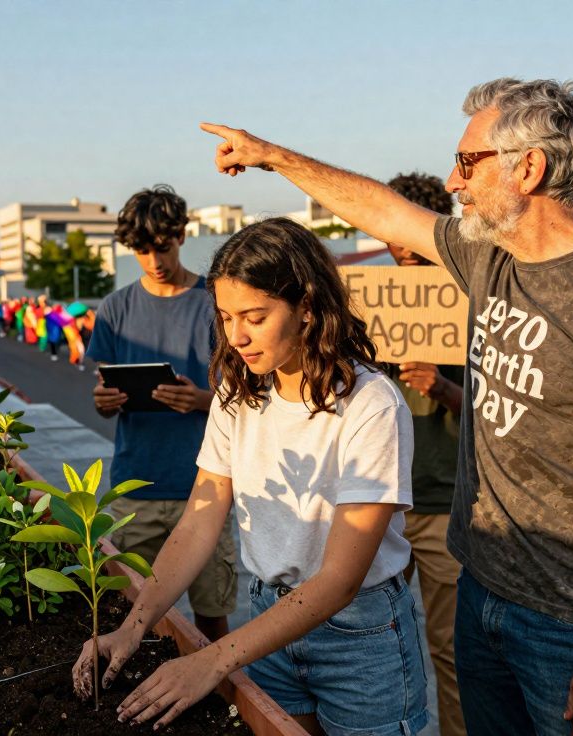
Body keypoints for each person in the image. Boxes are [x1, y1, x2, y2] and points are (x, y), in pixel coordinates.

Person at [201, 77, 573, 736]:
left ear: (530, 167)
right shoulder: (490, 255)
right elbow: (383, 211)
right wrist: (272, 155)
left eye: (467, 161)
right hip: (482, 593)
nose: (453, 180)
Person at [79, 218, 427, 735]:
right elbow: (199, 520)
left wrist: (213, 660)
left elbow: (339, 579)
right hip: (270, 624)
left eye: (255, 317)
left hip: (360, 638)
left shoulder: (369, 404)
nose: (236, 336)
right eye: (224, 317)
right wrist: (133, 628)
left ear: (307, 307)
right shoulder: (237, 395)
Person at [85, 184, 239, 644]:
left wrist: (202, 400)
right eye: (142, 250)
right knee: (135, 616)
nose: (155, 260)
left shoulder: (216, 303)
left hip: (206, 489)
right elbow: (101, 389)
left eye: (163, 247)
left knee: (213, 617)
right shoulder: (114, 309)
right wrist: (103, 402)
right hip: (137, 486)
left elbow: (245, 398)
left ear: (182, 236)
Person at [379, 171, 468, 736]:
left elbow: (503, 413)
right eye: (392, 230)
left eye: (414, 231)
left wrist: (445, 389)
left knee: (453, 653)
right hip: (380, 501)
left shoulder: (471, 301)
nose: (403, 245)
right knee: (372, 643)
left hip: (442, 503)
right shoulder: (373, 304)